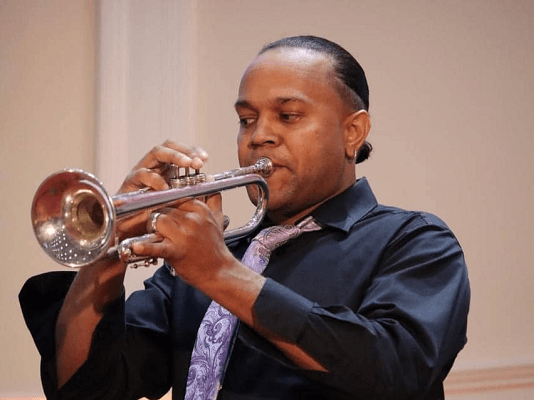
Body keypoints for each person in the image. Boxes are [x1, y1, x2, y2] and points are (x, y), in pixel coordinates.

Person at [20, 35, 470, 400]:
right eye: (246, 119)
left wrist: (218, 274)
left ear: (353, 132)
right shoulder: (211, 257)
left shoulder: (415, 241)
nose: (259, 136)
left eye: (287, 115)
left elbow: (398, 372)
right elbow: (85, 390)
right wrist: (108, 251)